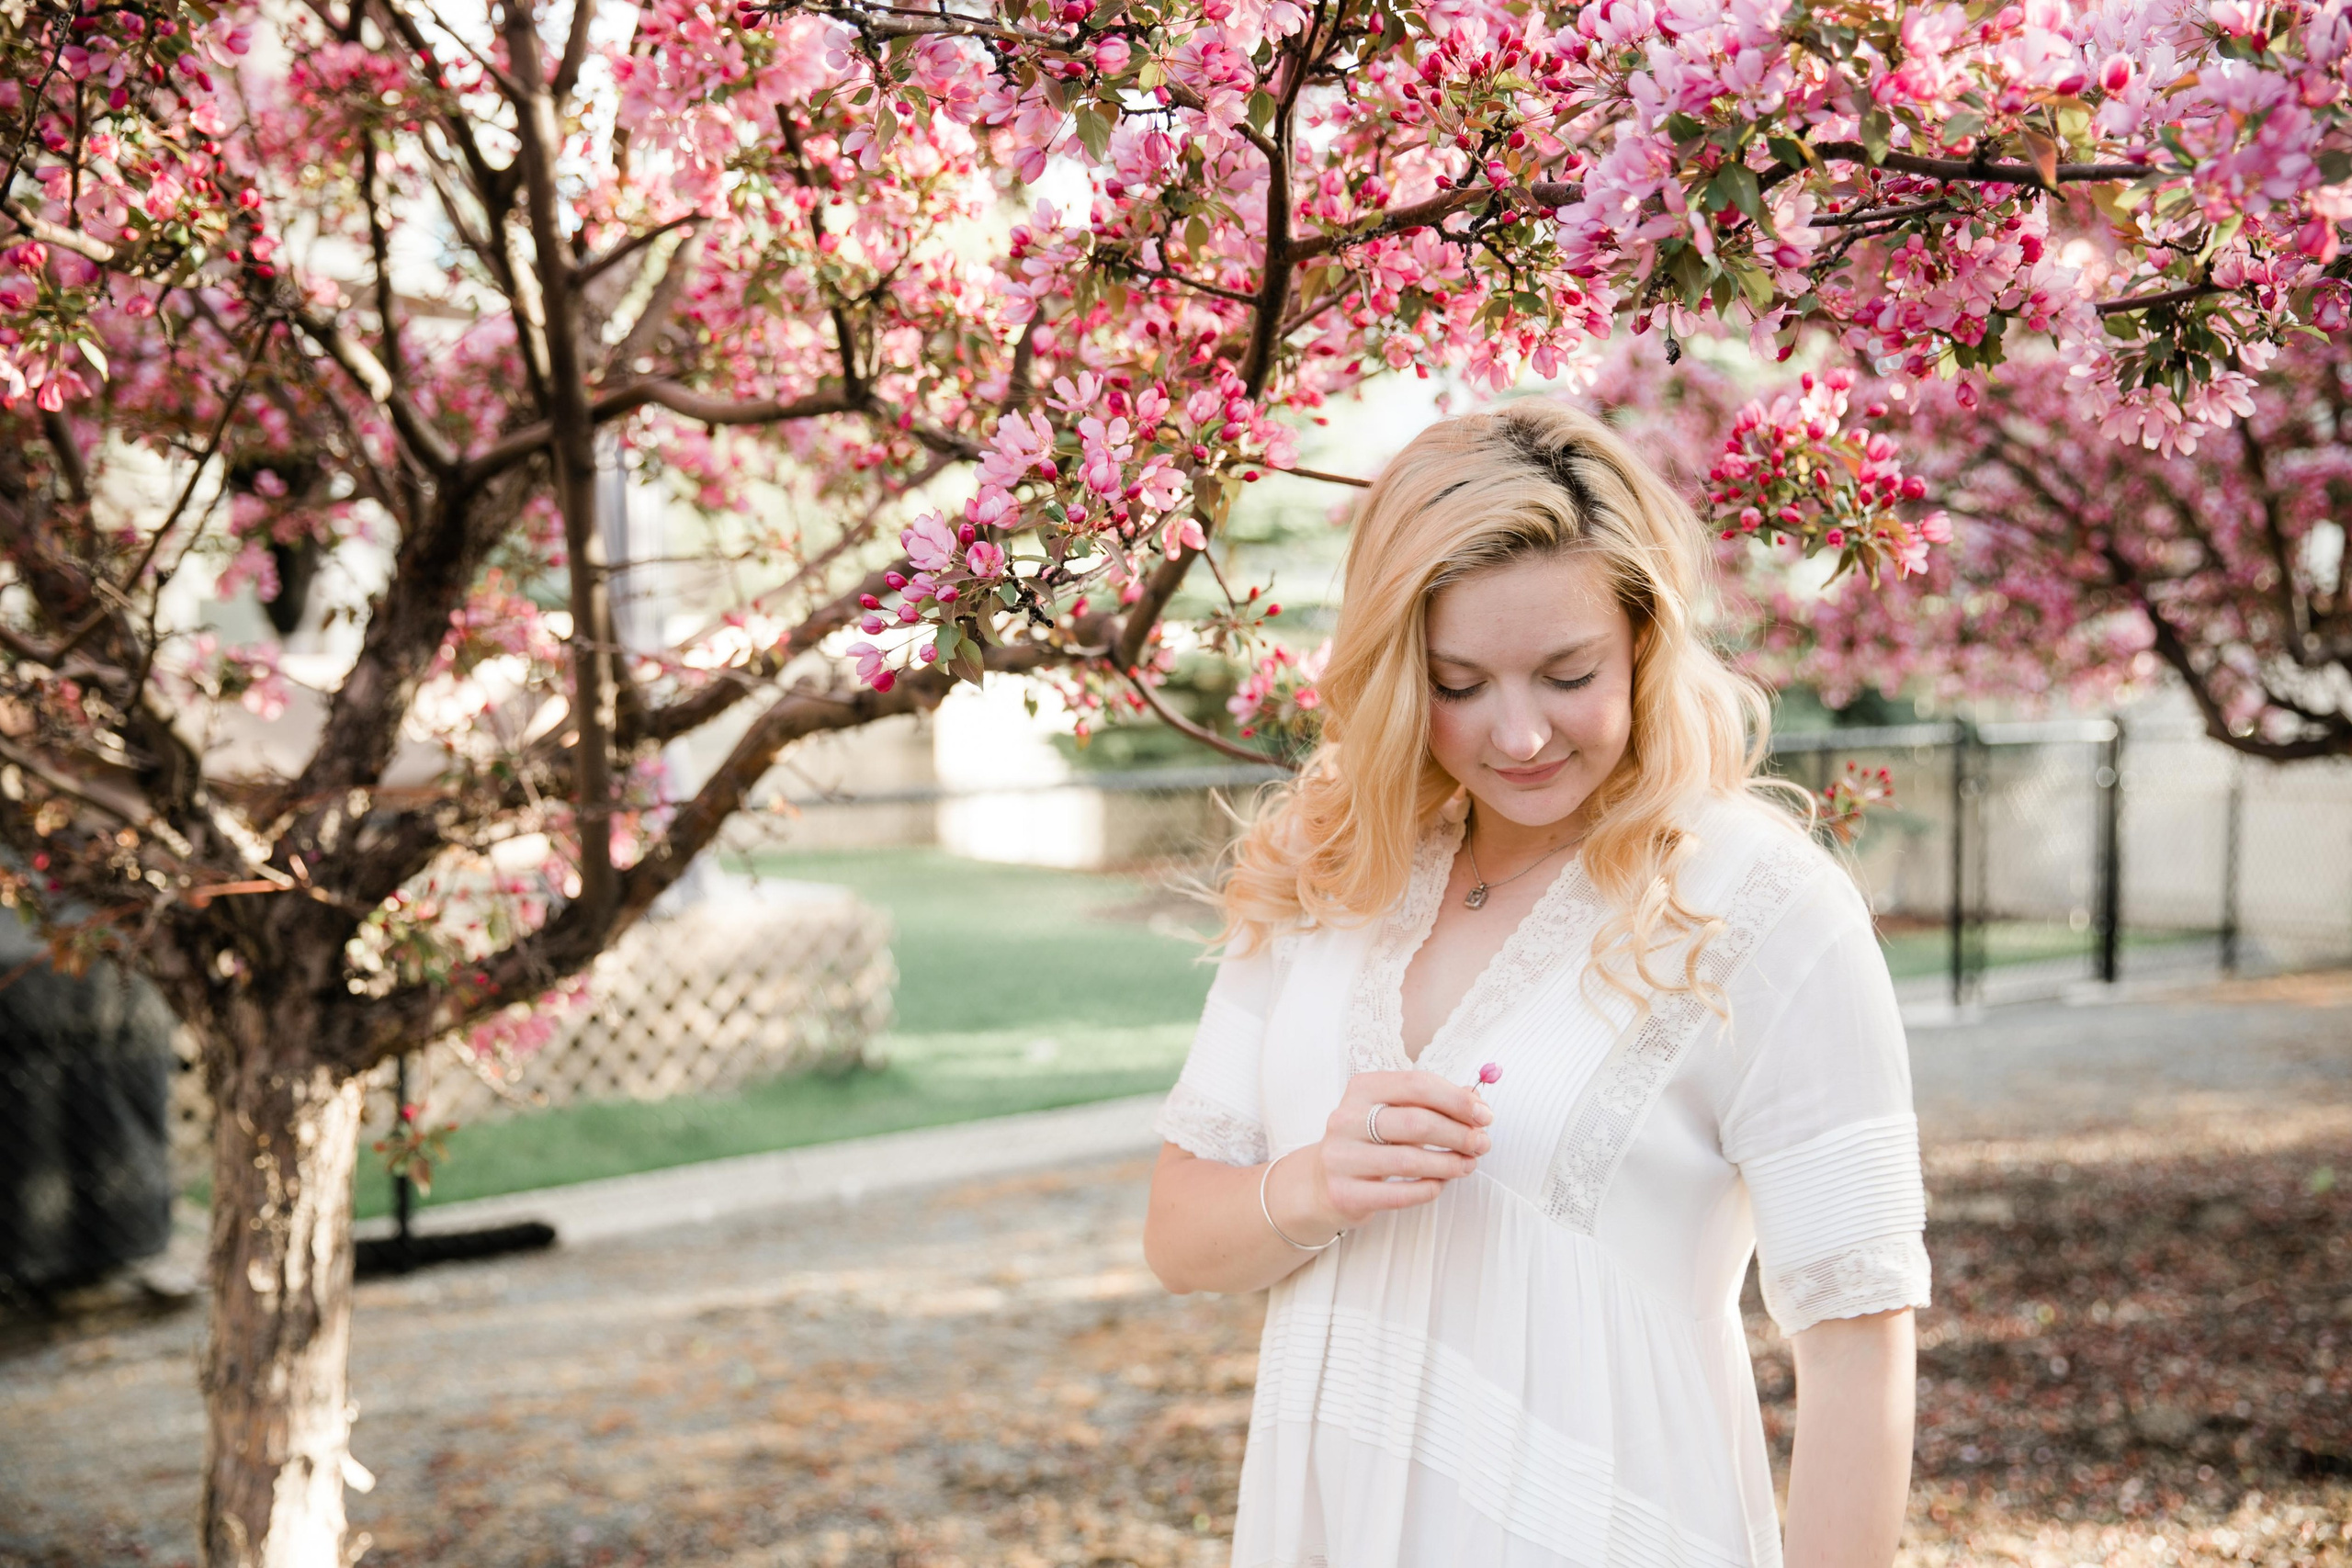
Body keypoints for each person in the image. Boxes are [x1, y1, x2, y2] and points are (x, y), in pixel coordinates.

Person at [1143, 401, 1928, 1568]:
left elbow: (1857, 1335)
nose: (1516, 736)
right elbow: (1179, 1238)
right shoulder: (1329, 868)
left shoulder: (1761, 904)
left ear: (1644, 645)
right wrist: (1312, 1184)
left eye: (1567, 675)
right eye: (1459, 683)